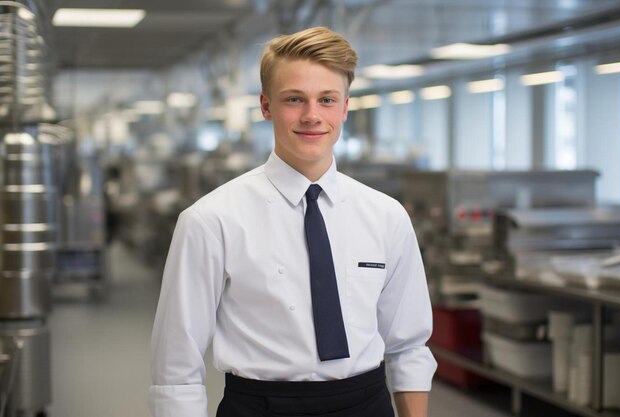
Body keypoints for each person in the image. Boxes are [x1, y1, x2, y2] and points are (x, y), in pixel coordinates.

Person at [148, 26, 436, 417]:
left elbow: (408, 345)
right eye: (294, 99)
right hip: (259, 407)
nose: (312, 115)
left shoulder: (386, 216)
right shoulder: (210, 220)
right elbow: (176, 366)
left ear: (345, 107)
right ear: (266, 106)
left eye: (327, 99)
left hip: (366, 405)